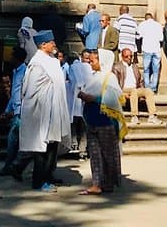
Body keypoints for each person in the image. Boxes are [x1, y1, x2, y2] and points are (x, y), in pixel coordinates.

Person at [16, 30, 71, 193]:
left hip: (54, 111)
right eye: (51, 42)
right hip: (41, 112)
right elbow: (31, 90)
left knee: (52, 148)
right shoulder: (37, 62)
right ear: (43, 45)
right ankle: (38, 182)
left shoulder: (52, 60)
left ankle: (48, 176)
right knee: (42, 149)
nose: (54, 44)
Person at [77, 49, 126, 195]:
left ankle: (109, 182)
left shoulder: (109, 78)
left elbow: (114, 99)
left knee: (108, 154)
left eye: (93, 61)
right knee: (95, 154)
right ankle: (97, 184)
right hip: (91, 119)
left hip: (105, 121)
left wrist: (94, 99)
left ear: (102, 61)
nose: (91, 64)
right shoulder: (94, 77)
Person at [0, 49, 28, 178]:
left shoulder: (25, 72)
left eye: (12, 56)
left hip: (21, 112)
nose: (10, 59)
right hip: (15, 111)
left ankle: (12, 166)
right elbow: (14, 94)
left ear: (17, 58)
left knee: (14, 140)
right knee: (15, 142)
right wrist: (8, 110)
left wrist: (15, 111)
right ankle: (13, 166)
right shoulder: (15, 72)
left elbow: (23, 94)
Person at [115, 47, 159, 125]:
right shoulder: (117, 67)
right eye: (126, 56)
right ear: (122, 57)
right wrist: (122, 94)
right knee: (134, 91)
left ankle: (152, 116)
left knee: (148, 90)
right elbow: (115, 85)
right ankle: (134, 116)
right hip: (123, 89)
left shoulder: (134, 66)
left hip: (135, 89)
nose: (129, 58)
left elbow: (141, 80)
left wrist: (142, 90)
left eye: (131, 56)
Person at [137, 12, 164, 92]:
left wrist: (138, 48)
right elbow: (161, 39)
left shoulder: (142, 24)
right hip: (156, 49)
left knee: (146, 69)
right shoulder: (158, 25)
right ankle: (154, 87)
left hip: (147, 48)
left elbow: (138, 36)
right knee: (156, 70)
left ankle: (147, 87)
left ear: (145, 18)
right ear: (152, 18)